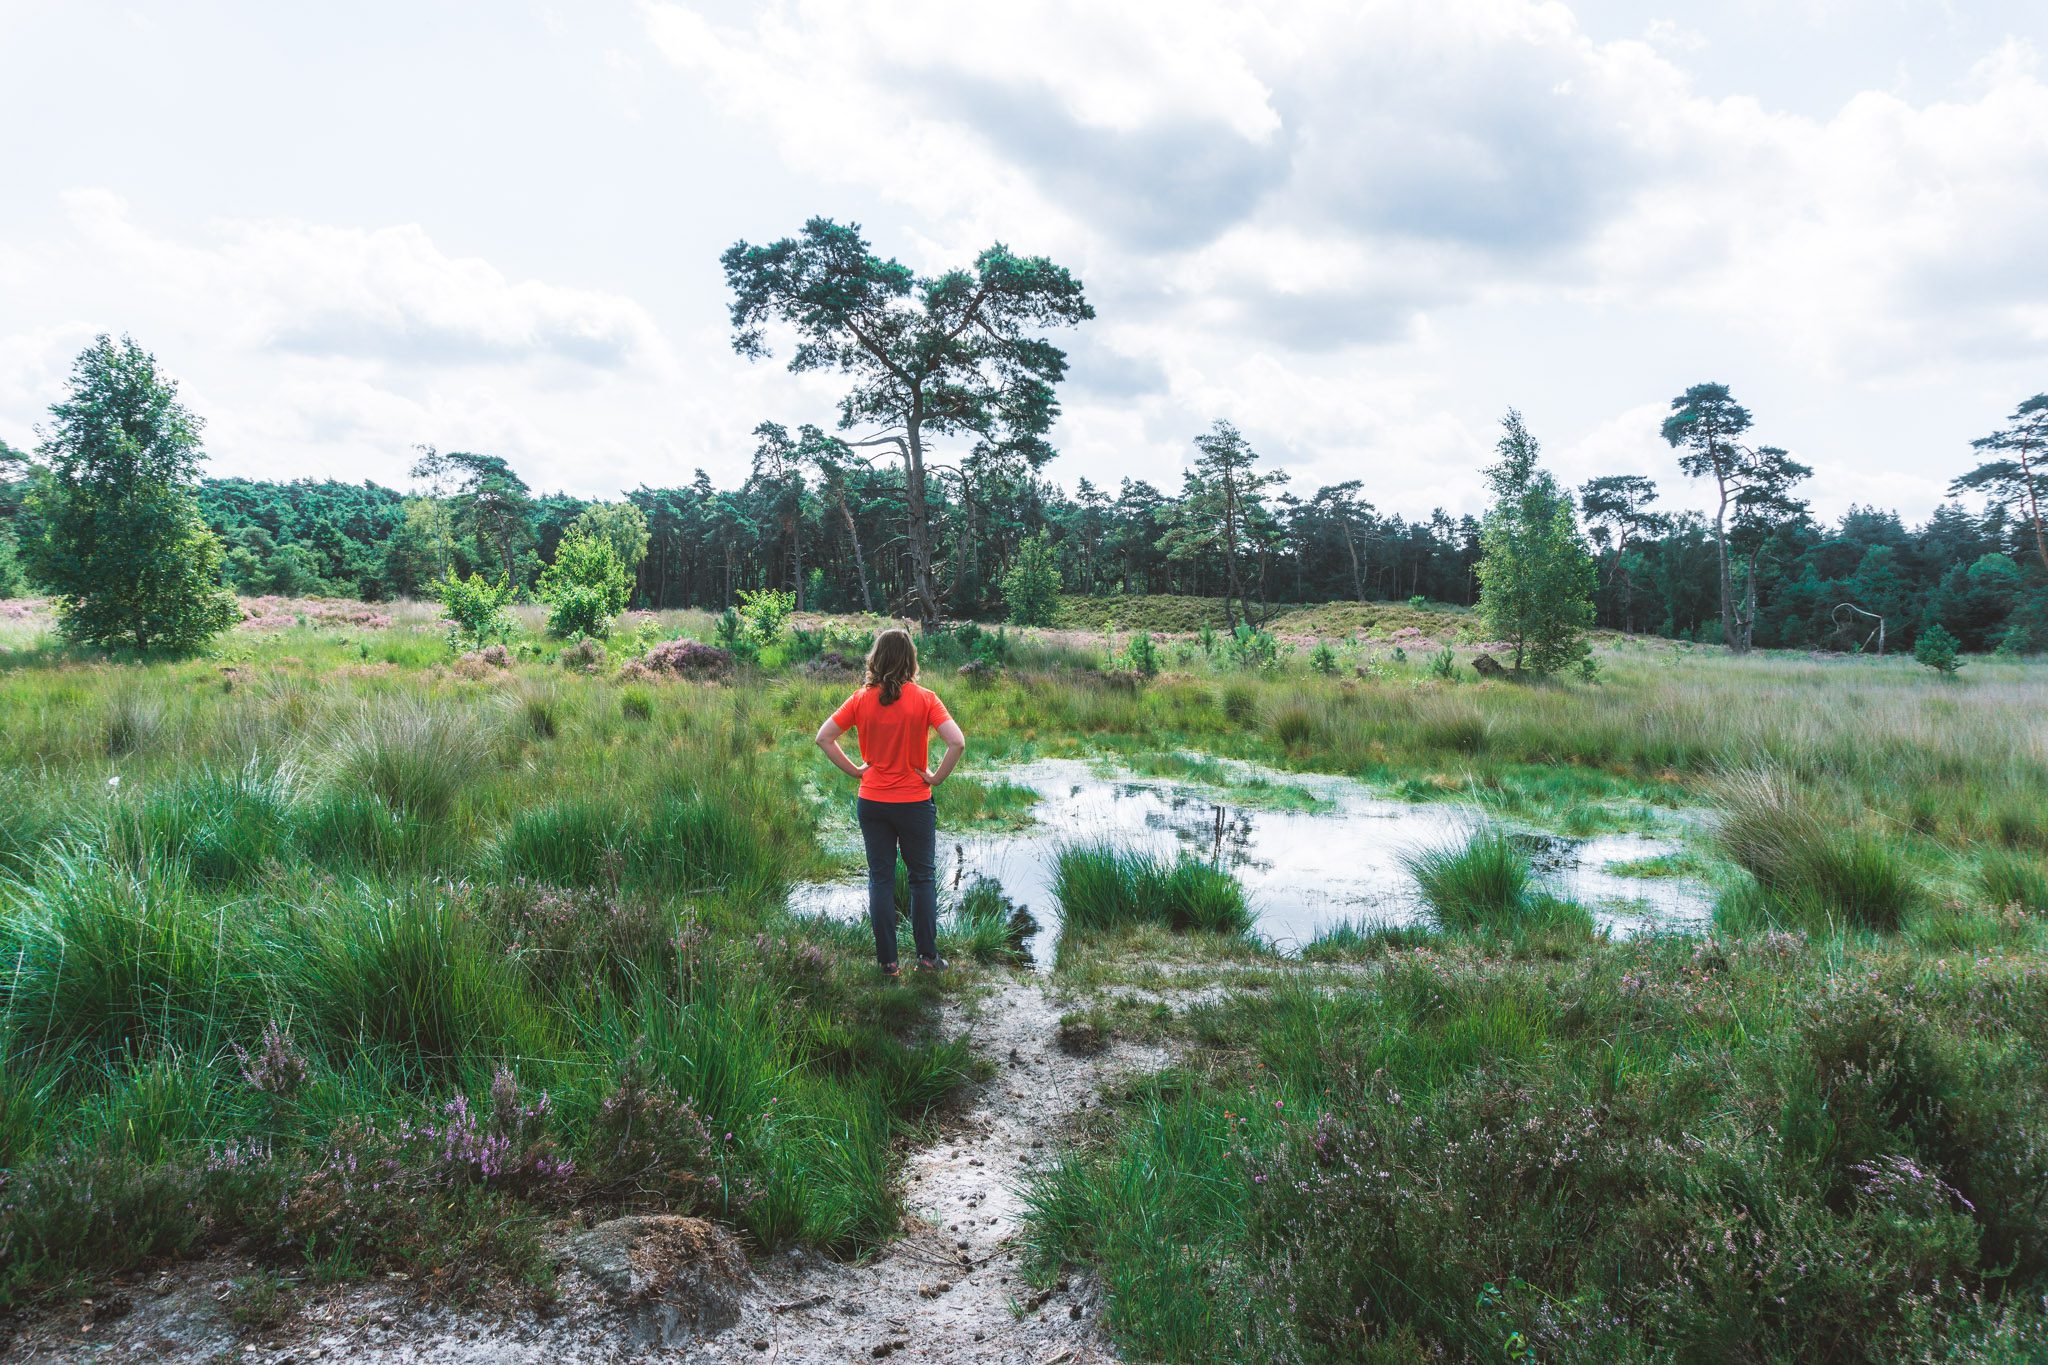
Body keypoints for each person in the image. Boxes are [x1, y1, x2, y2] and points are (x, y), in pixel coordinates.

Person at [816, 629, 966, 976]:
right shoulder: (926, 698)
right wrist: (935, 777)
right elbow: (956, 742)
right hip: (914, 802)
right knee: (922, 879)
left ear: (876, 658)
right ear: (911, 660)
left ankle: (888, 963)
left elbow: (824, 738)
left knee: (880, 879)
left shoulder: (860, 699)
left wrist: (856, 770)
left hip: (872, 802)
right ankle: (928, 958)